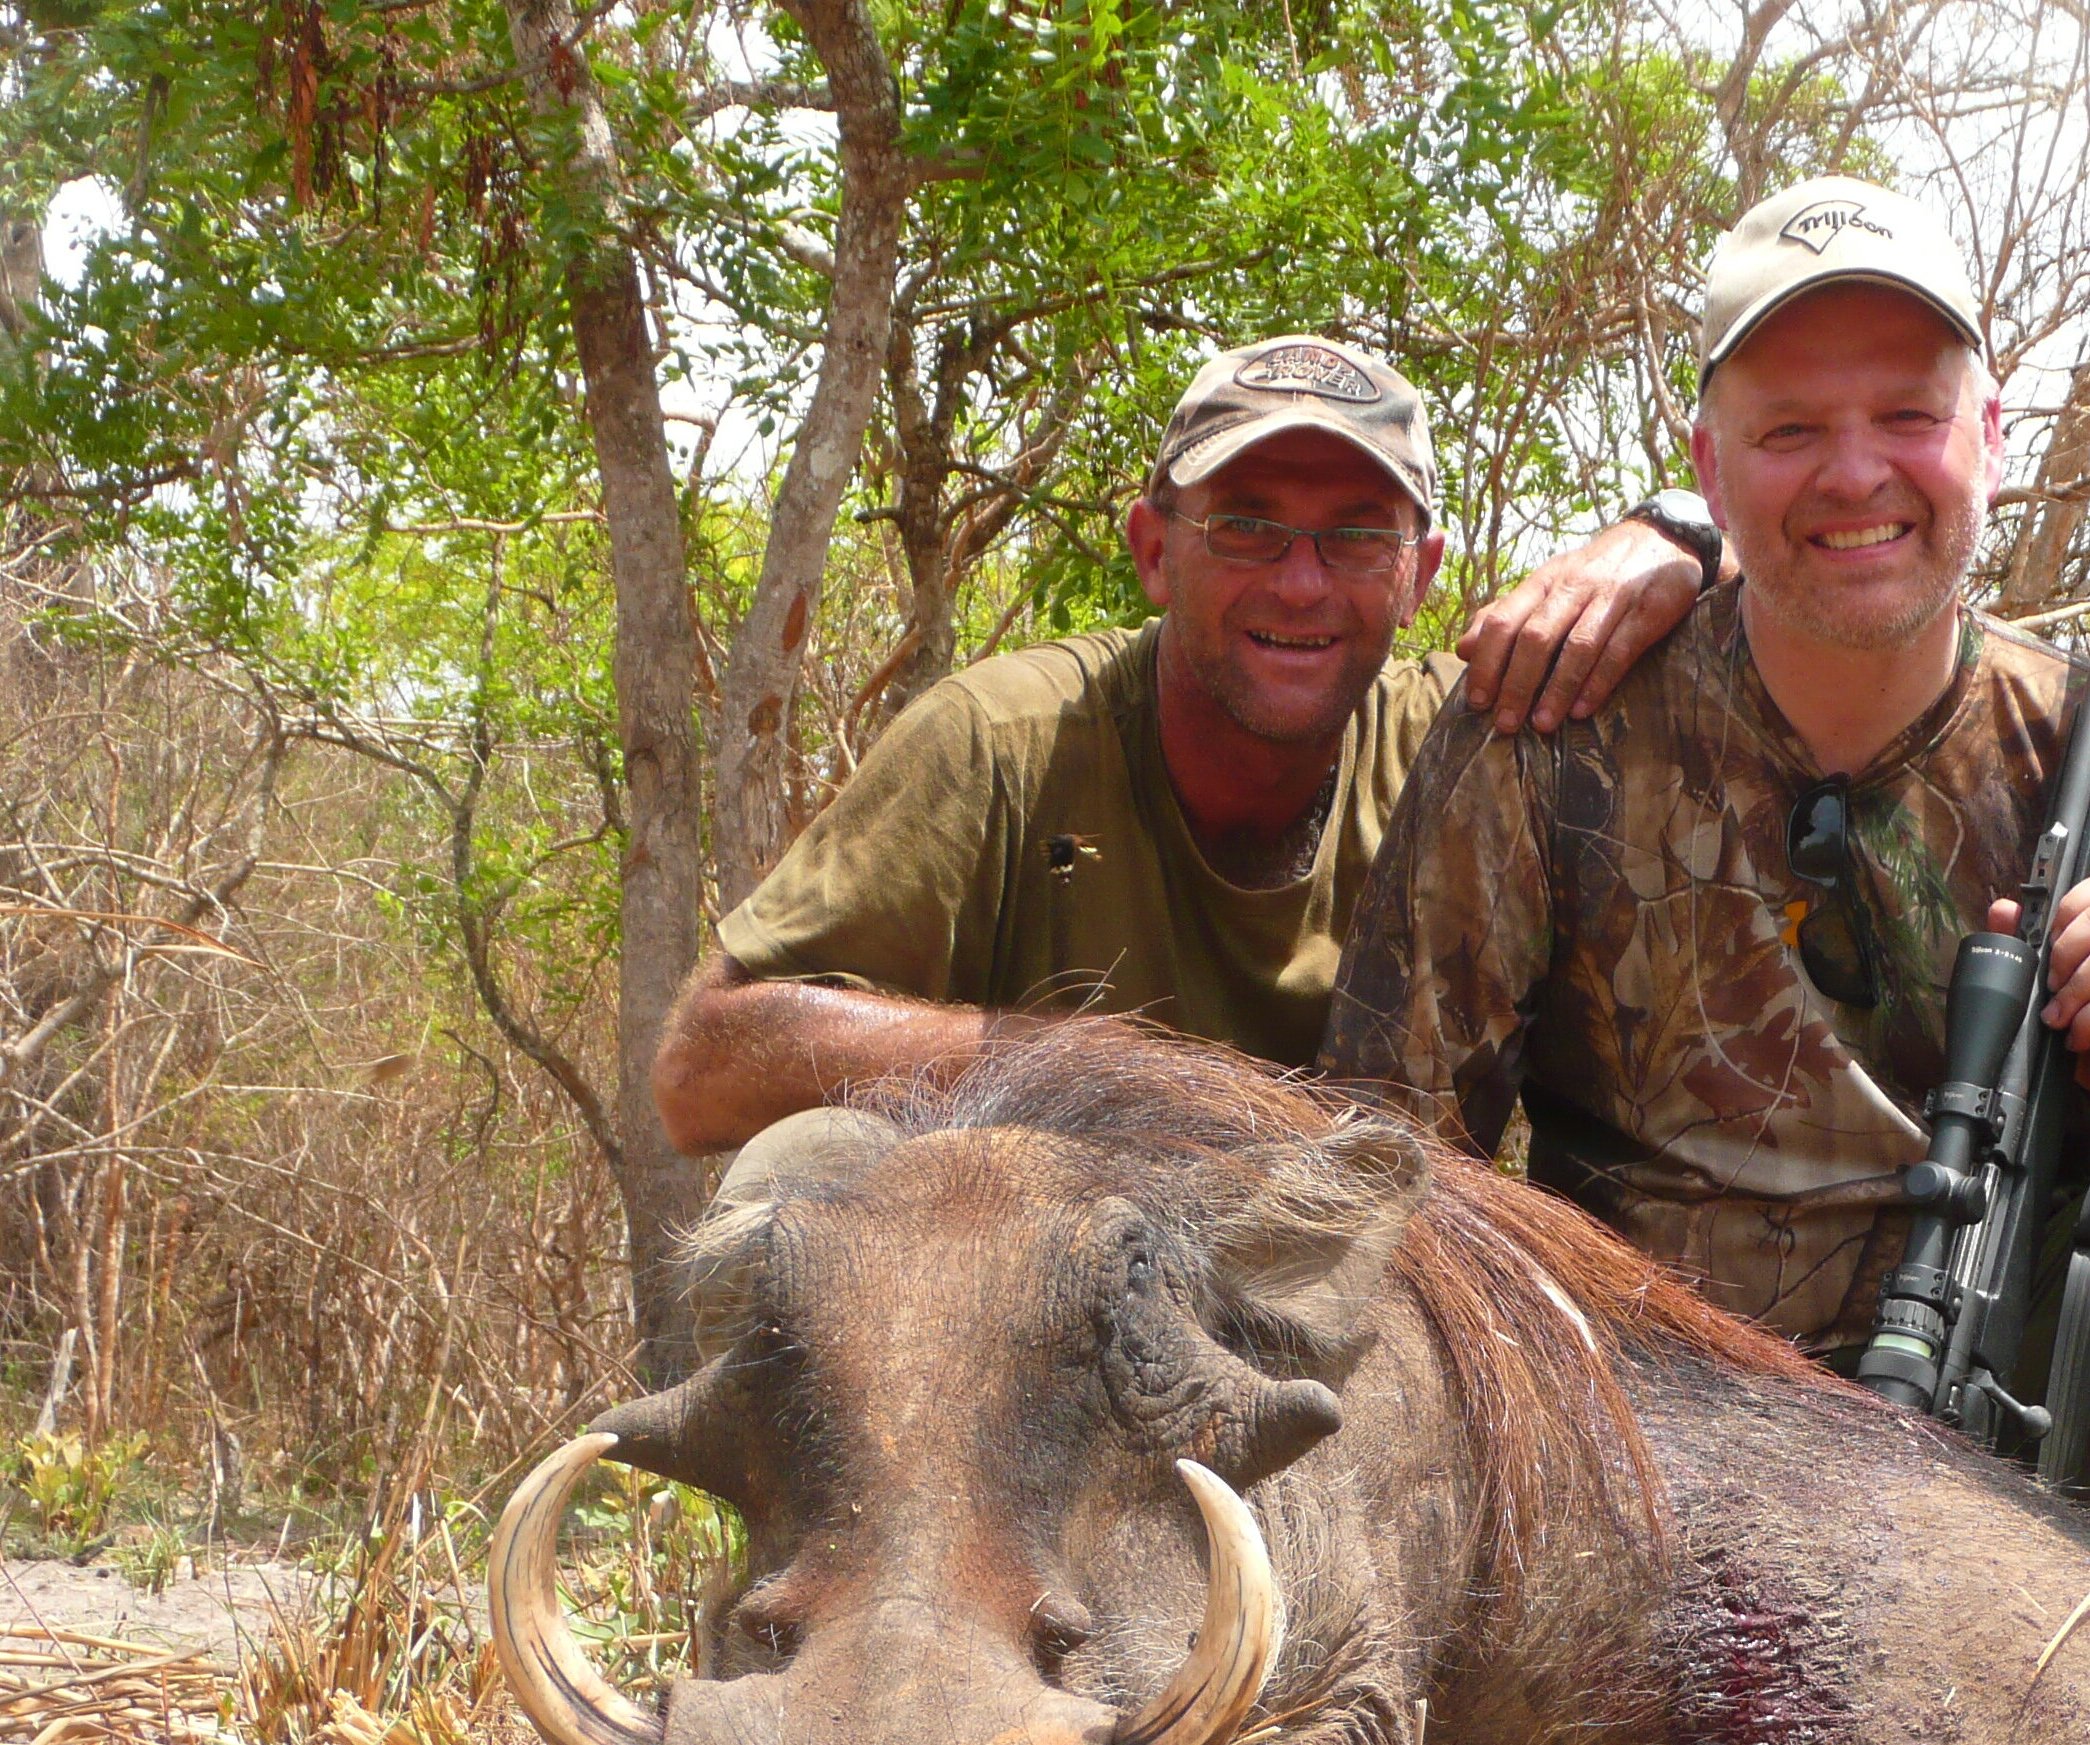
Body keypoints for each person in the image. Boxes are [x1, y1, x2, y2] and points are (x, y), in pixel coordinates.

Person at [1322, 182, 2090, 1649]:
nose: (1856, 475)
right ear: (1709, 472)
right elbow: (1382, 1161)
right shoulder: (1547, 729)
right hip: (1640, 1452)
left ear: (1989, 439)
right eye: (1791, 430)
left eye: (1909, 419)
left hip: (2017, 1458)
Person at [651, 334, 1722, 1156]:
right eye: (1246, 526)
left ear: (1421, 577)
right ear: (1155, 551)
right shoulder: (1000, 744)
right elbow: (702, 1067)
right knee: (800, 1171)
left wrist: (1682, 539)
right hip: (1029, 1319)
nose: (1300, 582)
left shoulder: (1473, 746)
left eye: (1356, 534)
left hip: (1363, 1328)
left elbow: (1815, 624)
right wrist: (1107, 1073)